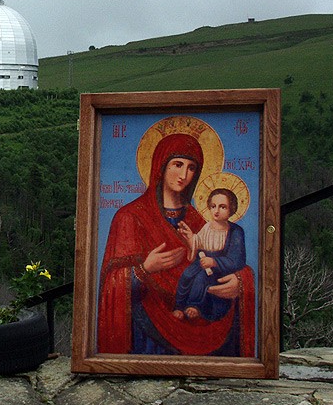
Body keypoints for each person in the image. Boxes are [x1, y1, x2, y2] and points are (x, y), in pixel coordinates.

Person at [97, 132, 254, 356]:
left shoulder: (199, 221)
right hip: (149, 331)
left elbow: (222, 261)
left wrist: (240, 280)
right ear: (161, 166)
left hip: (201, 319)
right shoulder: (129, 217)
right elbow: (110, 286)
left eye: (191, 168)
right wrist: (144, 269)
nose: (184, 175)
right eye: (177, 164)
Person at [172, 188, 246, 322]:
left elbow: (237, 260)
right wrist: (191, 238)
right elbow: (198, 242)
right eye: (213, 206)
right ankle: (179, 306)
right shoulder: (207, 226)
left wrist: (214, 262)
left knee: (201, 278)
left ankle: (194, 305)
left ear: (232, 209)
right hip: (202, 261)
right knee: (186, 275)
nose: (216, 211)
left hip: (219, 268)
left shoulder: (235, 231)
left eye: (222, 207)